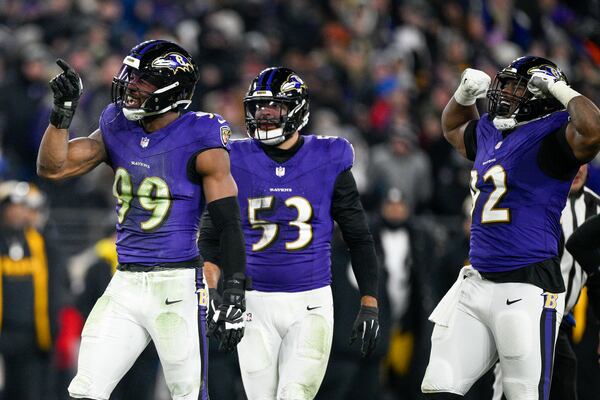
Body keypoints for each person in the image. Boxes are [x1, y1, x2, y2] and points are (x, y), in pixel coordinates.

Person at [36, 39, 248, 400]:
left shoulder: (202, 136)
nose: (131, 85)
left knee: (188, 395)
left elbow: (228, 221)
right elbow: (52, 167)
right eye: (131, 75)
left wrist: (234, 286)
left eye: (144, 79)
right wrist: (62, 113)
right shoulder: (118, 125)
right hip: (126, 281)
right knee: (85, 390)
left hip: (178, 285)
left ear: (172, 90)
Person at [420, 55, 600, 400]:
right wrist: (463, 96)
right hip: (477, 281)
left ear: (541, 93)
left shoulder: (553, 132)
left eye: (517, 87)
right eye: (505, 84)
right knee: (439, 385)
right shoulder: (490, 128)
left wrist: (560, 89)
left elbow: (593, 131)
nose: (504, 93)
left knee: (523, 393)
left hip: (527, 285)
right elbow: (453, 129)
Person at [198, 67, 380, 400]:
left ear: (296, 110)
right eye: (259, 107)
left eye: (275, 108)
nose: (264, 116)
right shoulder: (234, 158)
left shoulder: (329, 157)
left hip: (310, 303)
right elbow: (211, 237)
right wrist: (212, 294)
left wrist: (369, 301)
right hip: (252, 304)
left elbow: (358, 236)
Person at [491, 164, 600, 399]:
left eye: (582, 161)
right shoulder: (537, 203)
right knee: (518, 383)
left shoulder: (596, 207)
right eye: (570, 161)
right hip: (527, 312)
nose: (576, 169)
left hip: (560, 320)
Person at [0, 181, 68, 400]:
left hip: (34, 336)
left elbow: (58, 282)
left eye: (24, 206)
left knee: (32, 393)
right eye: (14, 206)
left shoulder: (42, 242)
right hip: (4, 334)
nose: (20, 211)